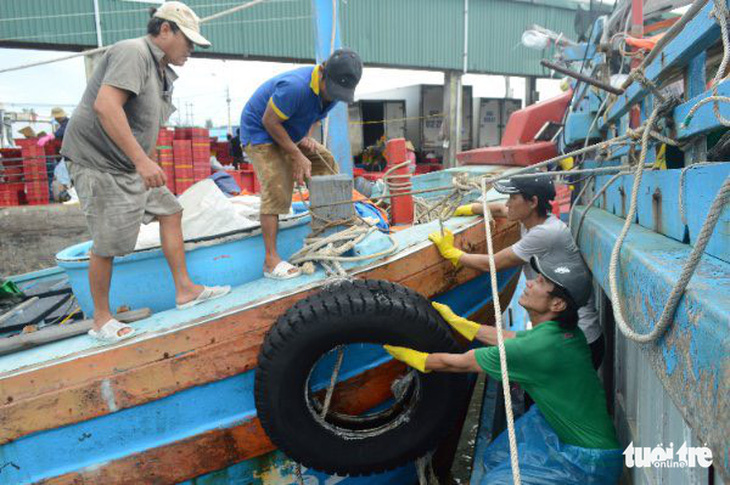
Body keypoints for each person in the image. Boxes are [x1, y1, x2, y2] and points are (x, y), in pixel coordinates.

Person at [60, 1, 229, 342]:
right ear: (165, 30)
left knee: (171, 210)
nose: (192, 50)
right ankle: (102, 321)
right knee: (108, 243)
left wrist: (147, 158)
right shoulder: (133, 52)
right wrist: (141, 161)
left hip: (126, 162)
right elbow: (106, 106)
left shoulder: (162, 71)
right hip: (98, 162)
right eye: (189, 41)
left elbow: (145, 123)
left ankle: (184, 290)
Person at [384, 255, 623, 484]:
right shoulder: (566, 333)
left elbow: (458, 363)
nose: (529, 283)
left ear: (557, 304)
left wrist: (410, 356)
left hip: (589, 463)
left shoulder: (538, 349)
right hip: (583, 436)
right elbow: (510, 337)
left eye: (540, 282)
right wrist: (462, 324)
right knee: (497, 455)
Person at [429, 175, 605, 369]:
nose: (508, 203)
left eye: (513, 197)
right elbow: (498, 209)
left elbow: (491, 264)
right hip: (556, 336)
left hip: (578, 341)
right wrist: (466, 209)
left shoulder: (545, 234)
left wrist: (451, 253)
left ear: (533, 202)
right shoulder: (532, 219)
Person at [239, 48, 363, 280]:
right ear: (323, 73)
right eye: (333, 89)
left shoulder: (333, 93)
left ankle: (328, 233)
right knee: (277, 185)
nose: (334, 96)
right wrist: (295, 154)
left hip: (289, 131)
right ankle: (270, 260)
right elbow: (269, 121)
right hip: (261, 133)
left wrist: (305, 138)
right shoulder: (295, 87)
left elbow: (314, 116)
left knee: (325, 162)